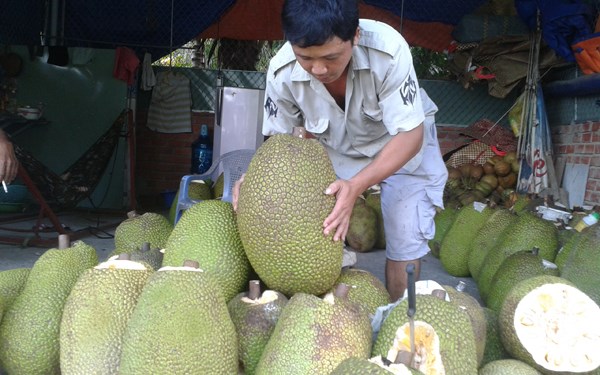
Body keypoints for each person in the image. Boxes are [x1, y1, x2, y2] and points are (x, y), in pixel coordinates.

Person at [234, 0, 448, 301]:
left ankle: (399, 317)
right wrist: (255, 180)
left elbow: (411, 135)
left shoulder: (387, 51)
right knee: (306, 231)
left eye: (331, 57)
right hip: (335, 150)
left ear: (356, 36)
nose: (319, 69)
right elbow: (280, 147)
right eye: (305, 57)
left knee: (405, 237)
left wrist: (358, 184)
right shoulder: (281, 73)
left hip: (401, 147)